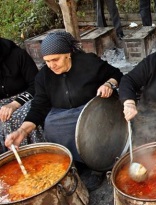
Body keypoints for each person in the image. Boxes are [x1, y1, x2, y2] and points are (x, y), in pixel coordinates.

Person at [4, 31, 123, 191]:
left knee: (91, 128)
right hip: (63, 115)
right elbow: (39, 106)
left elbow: (117, 74)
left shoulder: (89, 62)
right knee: (51, 125)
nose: (52, 65)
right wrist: (22, 131)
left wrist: (108, 84)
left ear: (68, 54)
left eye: (55, 59)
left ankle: (98, 166)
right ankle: (79, 162)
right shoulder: (44, 77)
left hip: (93, 110)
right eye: (47, 61)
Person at [0, 37, 45, 153]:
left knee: (13, 119)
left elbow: (37, 85)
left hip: (26, 99)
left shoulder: (18, 55)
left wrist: (15, 104)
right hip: (2, 105)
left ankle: (35, 156)